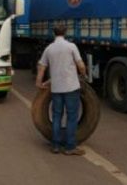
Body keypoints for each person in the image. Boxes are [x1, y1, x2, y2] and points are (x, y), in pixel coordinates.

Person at [35, 25, 88, 156]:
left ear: (54, 33)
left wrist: (39, 82)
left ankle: (55, 146)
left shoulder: (49, 49)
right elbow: (80, 65)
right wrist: (83, 75)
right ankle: (70, 147)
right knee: (71, 116)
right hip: (71, 87)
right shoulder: (71, 47)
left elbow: (41, 66)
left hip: (56, 88)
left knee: (57, 116)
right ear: (65, 32)